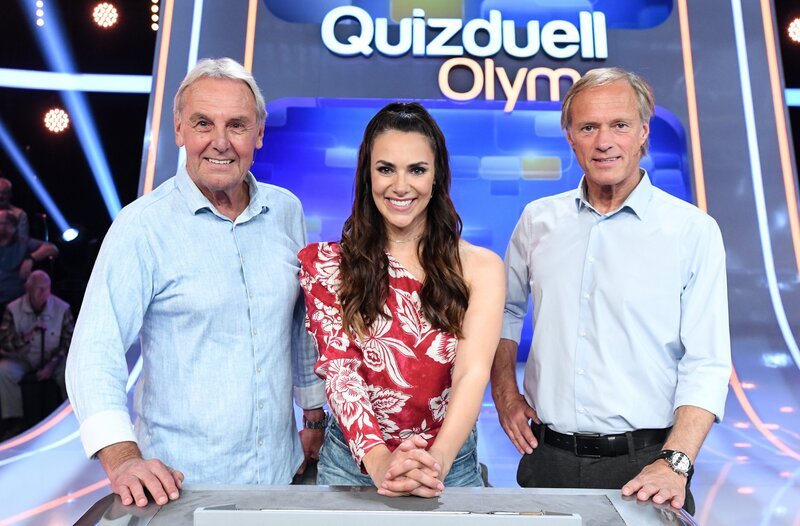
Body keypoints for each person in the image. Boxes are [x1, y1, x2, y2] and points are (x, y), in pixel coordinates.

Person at [65, 58, 326, 508]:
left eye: (237, 125)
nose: (220, 142)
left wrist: (314, 414)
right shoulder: (142, 226)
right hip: (182, 491)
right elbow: (93, 351)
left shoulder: (286, 210)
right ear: (179, 129)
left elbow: (301, 322)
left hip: (282, 477)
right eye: (204, 123)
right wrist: (122, 459)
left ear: (259, 134)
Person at [490, 67, 731, 514]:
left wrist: (675, 463)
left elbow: (707, 362)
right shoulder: (537, 221)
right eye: (588, 127)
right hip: (547, 460)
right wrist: (505, 394)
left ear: (643, 132)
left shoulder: (692, 231)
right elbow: (504, 311)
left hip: (648, 466)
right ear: (570, 137)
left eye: (619, 125)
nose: (604, 142)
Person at [299, 102, 505, 497]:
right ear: (367, 174)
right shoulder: (327, 265)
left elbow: (472, 373)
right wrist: (381, 464)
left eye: (417, 170)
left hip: (448, 465)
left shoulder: (481, 268)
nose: (400, 186)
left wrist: (436, 463)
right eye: (386, 169)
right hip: (353, 466)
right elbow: (342, 375)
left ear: (437, 175)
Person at [0, 270, 73, 438]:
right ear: (29, 290)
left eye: (47, 289)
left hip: (53, 358)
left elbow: (69, 342)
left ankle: (69, 419)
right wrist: (26, 337)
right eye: (40, 289)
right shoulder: (13, 309)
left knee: (68, 371)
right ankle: (14, 422)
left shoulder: (62, 308)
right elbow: (4, 343)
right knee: (3, 371)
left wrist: (52, 364)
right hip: (23, 358)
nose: (45, 294)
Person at [0, 210, 58, 311]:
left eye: (1, 223)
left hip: (15, 302)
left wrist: (31, 259)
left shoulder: (23, 243)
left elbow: (53, 249)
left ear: (12, 226)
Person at [0, 175, 29, 240]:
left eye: (4, 193)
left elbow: (22, 240)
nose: (0, 196)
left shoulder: (20, 214)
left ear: (10, 194)